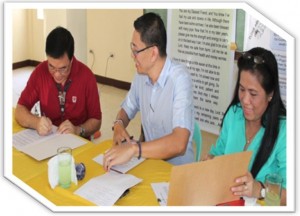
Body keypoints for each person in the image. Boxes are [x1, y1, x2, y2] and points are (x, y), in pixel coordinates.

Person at [103, 12, 194, 170]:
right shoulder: (141, 75)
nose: (132, 56)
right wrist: (118, 125)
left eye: (136, 50)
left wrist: (134, 149)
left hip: (176, 172)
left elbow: (180, 143)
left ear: (153, 53)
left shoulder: (180, 79)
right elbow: (127, 109)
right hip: (149, 164)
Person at [203, 47, 286, 205]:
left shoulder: (284, 131)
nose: (245, 100)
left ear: (270, 94)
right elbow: (218, 152)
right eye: (242, 90)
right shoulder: (234, 114)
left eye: (253, 94)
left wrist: (259, 190)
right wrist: (210, 162)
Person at [15, 26, 102, 139]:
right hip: (48, 138)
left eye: (62, 68)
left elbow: (96, 121)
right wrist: (36, 122)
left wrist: (78, 130)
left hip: (77, 142)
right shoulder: (40, 72)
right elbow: (20, 109)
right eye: (51, 66)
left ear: (71, 60)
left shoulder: (87, 77)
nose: (56, 74)